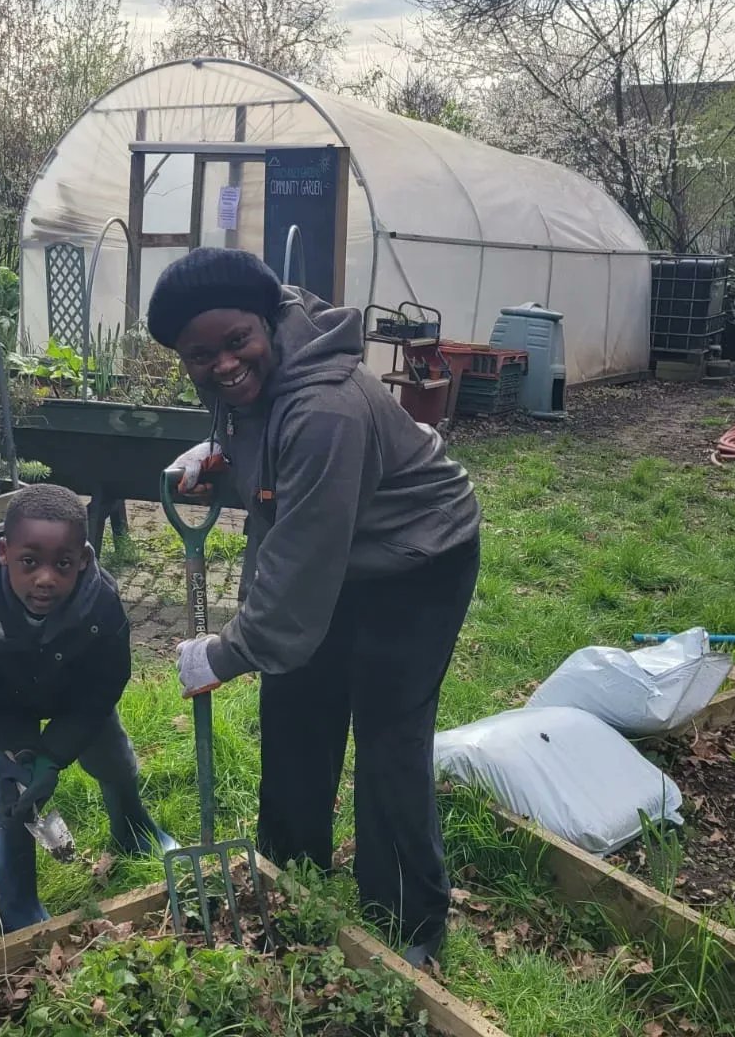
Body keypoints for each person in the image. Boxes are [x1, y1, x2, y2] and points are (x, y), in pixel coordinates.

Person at [147, 246, 481, 967]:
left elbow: (296, 580)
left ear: (267, 321)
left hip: (418, 561)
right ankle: (290, 870)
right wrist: (217, 452)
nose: (225, 365)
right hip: (343, 548)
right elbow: (266, 445)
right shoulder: (259, 371)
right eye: (200, 356)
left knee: (388, 737)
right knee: (296, 705)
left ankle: (407, 923)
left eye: (237, 342)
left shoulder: (326, 409)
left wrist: (225, 653)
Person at [0, 483, 173, 931]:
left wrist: (55, 754)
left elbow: (104, 686)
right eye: (29, 562)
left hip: (72, 697)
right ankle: (18, 903)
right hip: (3, 704)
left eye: (63, 564)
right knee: (15, 795)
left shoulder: (103, 602)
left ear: (84, 562)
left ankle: (133, 830)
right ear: (3, 553)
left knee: (113, 757)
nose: (45, 578)